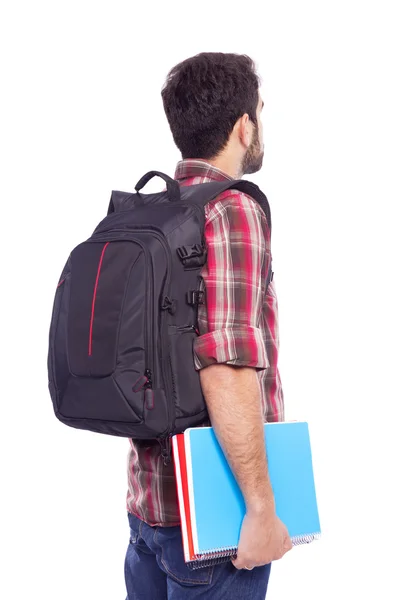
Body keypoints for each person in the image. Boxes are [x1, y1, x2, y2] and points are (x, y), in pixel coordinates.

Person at [124, 52, 292, 600]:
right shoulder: (231, 211)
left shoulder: (150, 212)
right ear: (245, 125)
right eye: (261, 112)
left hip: (149, 510)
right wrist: (262, 510)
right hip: (213, 524)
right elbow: (226, 363)